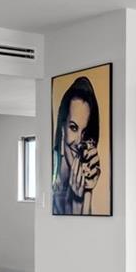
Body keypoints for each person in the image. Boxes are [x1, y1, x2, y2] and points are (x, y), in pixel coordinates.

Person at [52, 75, 101, 214]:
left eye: (85, 132)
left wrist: (87, 192)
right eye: (73, 128)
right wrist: (77, 200)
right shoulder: (52, 173)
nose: (79, 141)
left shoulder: (85, 173)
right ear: (63, 128)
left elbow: (85, 224)